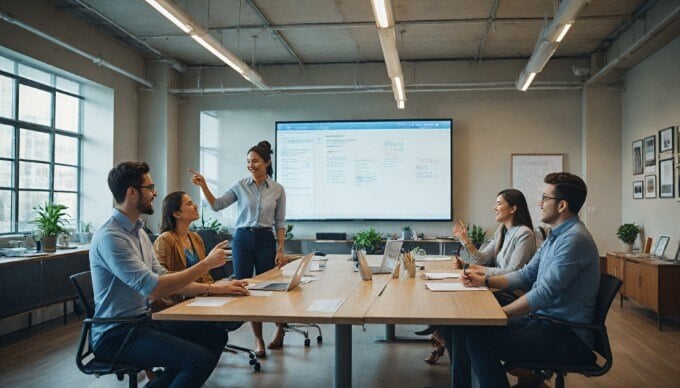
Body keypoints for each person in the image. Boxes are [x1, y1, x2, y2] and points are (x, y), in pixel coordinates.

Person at [90, 161, 249, 387]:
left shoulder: (139, 232)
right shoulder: (111, 237)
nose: (155, 193)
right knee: (197, 360)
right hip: (116, 334)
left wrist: (215, 288)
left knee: (215, 336)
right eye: (150, 187)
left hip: (141, 323)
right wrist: (204, 265)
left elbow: (168, 280)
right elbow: (154, 288)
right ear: (132, 192)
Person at [441, 172, 599, 388]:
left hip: (565, 334)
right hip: (541, 321)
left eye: (545, 198)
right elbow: (526, 274)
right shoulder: (556, 236)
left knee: (478, 342)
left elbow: (543, 293)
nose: (540, 203)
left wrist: (499, 314)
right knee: (462, 328)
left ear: (562, 205)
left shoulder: (574, 240)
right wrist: (484, 281)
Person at [189, 140, 287, 357]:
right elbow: (217, 205)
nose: (251, 165)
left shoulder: (278, 189)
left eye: (255, 161)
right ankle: (258, 339)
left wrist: (281, 248)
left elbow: (280, 222)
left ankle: (280, 328)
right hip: (242, 239)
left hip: (265, 240)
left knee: (271, 286)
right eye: (248, 161)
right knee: (245, 287)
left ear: (267, 162)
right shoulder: (240, 186)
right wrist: (204, 185)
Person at [425, 189, 537, 365]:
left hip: (513, 293)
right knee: (453, 306)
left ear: (513, 208)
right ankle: (449, 342)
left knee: (458, 311)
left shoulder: (524, 234)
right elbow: (483, 258)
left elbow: (513, 271)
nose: (494, 207)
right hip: (496, 287)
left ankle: (450, 343)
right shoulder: (503, 230)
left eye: (499, 203)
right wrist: (465, 240)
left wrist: (474, 268)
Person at [152, 190, 249, 315]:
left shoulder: (195, 238)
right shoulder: (165, 239)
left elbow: (205, 276)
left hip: (199, 299)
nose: (196, 206)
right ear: (176, 214)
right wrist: (215, 289)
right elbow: (165, 284)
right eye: (189, 204)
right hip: (174, 306)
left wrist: (224, 287)